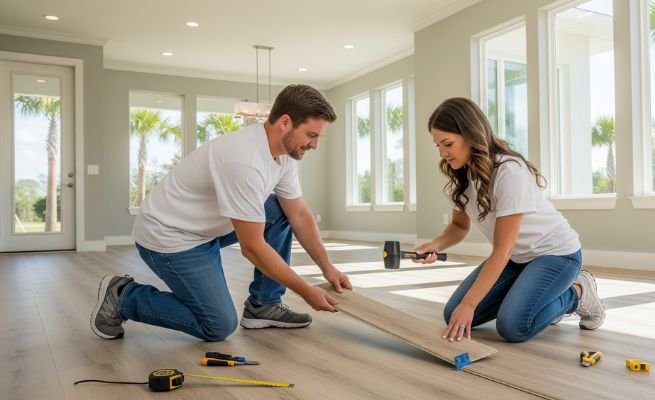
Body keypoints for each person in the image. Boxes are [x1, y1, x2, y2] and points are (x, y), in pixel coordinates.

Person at [91, 84, 351, 342]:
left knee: (279, 209)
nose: (314, 145)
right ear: (285, 122)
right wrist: (306, 291)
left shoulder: (283, 154)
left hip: (206, 228)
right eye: (311, 135)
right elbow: (253, 248)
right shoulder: (244, 161)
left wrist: (327, 268)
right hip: (171, 237)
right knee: (218, 325)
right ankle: (123, 296)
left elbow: (299, 214)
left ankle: (264, 304)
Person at [414, 97, 605, 343]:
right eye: (437, 145)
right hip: (517, 259)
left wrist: (470, 303)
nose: (442, 153)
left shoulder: (509, 172)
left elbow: (502, 250)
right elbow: (460, 226)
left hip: (556, 255)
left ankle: (578, 292)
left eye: (447, 143)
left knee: (514, 326)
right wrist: (436, 245)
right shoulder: (463, 176)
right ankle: (537, 298)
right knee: (453, 313)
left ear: (470, 135)